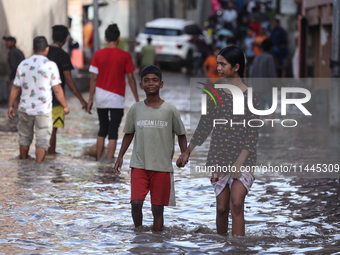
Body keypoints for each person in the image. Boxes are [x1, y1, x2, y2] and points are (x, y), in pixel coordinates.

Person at [179, 46, 260, 236]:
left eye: (223, 64)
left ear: (236, 67)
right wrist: (188, 150)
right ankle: (223, 246)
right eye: (218, 64)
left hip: (244, 159)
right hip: (219, 157)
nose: (218, 68)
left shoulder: (251, 96)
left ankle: (238, 249)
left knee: (237, 204)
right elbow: (205, 125)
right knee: (222, 208)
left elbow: (253, 133)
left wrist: (240, 162)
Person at [114, 65, 187, 232]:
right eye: (146, 80)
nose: (150, 83)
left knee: (157, 208)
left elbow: (181, 134)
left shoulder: (170, 110)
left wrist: (184, 154)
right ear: (141, 85)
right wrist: (120, 157)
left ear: (161, 84)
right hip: (139, 164)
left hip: (162, 166)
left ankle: (156, 239)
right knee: (136, 203)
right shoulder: (135, 109)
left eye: (154, 80)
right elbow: (128, 134)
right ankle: (139, 235)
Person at [7, 36, 70, 162]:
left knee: (24, 137)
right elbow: (57, 89)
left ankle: (24, 164)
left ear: (33, 49)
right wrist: (65, 106)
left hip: (25, 109)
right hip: (43, 110)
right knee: (42, 140)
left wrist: (10, 106)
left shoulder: (23, 64)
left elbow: (15, 87)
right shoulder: (51, 65)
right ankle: (38, 168)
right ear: (47, 49)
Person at [88, 24, 139, 161]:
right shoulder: (125, 56)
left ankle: (99, 160)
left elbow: (93, 78)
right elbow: (131, 79)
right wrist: (137, 99)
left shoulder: (97, 54)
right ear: (118, 38)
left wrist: (90, 99)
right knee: (113, 131)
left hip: (100, 96)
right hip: (117, 98)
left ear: (105, 38)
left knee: (102, 129)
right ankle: (109, 161)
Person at [47, 25, 88, 155]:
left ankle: (40, 159)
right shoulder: (63, 55)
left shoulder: (43, 52)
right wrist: (82, 100)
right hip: (57, 99)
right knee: (53, 129)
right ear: (65, 39)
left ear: (52, 37)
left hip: (39, 98)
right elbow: (69, 80)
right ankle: (51, 156)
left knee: (41, 129)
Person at [249, 38, 276, 119]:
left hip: (256, 88)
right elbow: (271, 75)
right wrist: (274, 86)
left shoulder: (256, 58)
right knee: (272, 109)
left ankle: (261, 130)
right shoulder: (269, 58)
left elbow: (251, 74)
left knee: (261, 110)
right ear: (271, 48)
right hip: (267, 89)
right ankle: (270, 130)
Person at [3, 36, 25, 109]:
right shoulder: (17, 51)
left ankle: (15, 111)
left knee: (14, 96)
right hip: (22, 77)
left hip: (16, 77)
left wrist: (11, 78)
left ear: (13, 42)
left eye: (8, 41)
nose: (6, 43)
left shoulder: (13, 52)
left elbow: (13, 66)